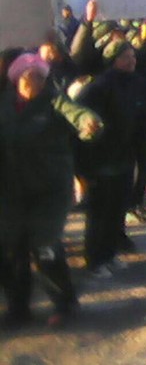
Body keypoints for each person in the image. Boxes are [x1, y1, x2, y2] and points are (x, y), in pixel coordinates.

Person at [0, 53, 102, 327]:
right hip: (11, 190)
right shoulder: (5, 105)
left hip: (49, 189)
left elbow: (78, 114)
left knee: (45, 245)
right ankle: (18, 307)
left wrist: (89, 124)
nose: (37, 82)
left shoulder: (55, 101)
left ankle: (64, 302)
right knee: (10, 249)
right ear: (18, 79)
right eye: (31, 77)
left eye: (41, 77)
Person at [76, 35, 146, 276]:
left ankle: (109, 253)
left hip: (124, 157)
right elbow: (84, 122)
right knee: (100, 212)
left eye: (133, 57)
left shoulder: (136, 83)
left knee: (117, 210)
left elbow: (140, 116)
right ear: (113, 59)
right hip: (102, 159)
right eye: (125, 57)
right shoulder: (98, 87)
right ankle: (94, 259)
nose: (131, 61)